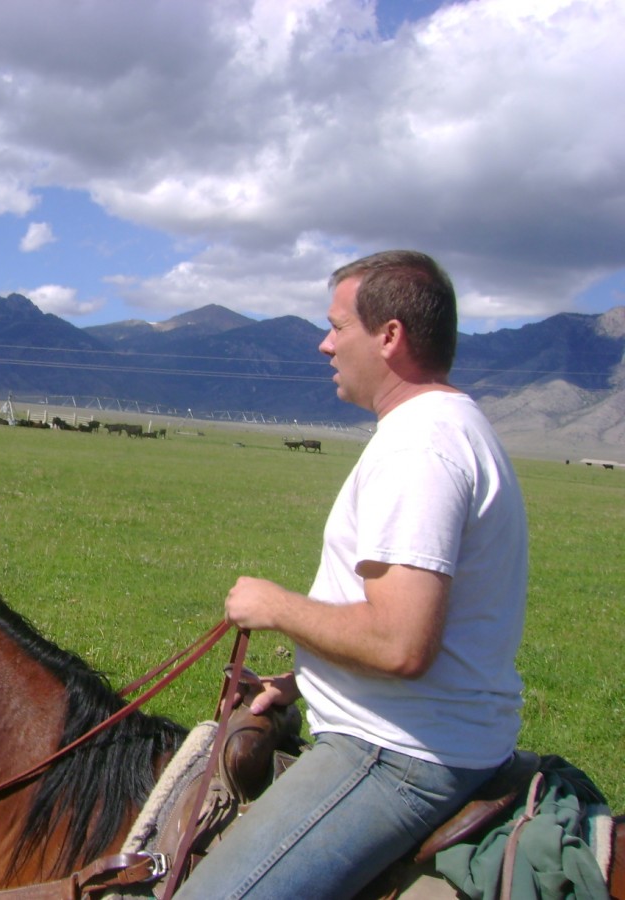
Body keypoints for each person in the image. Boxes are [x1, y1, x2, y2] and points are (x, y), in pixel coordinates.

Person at [175, 250, 528, 899]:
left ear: (389, 336)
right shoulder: (448, 425)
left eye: (338, 326)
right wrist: (303, 681)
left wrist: (274, 605)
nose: (324, 343)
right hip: (418, 734)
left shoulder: (420, 447)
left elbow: (400, 644)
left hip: (395, 756)